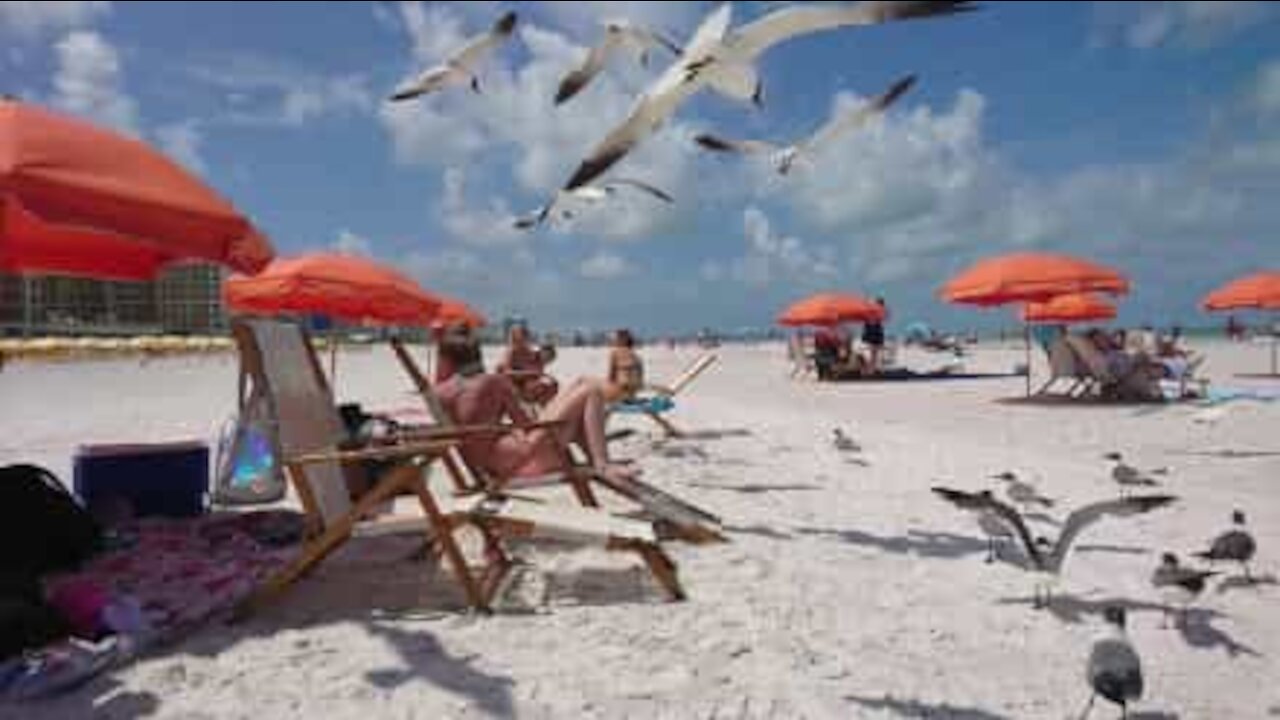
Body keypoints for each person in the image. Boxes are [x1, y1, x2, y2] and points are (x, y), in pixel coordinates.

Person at [433, 330, 638, 486]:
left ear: (446, 360)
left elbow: (451, 431)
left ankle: (597, 460)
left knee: (581, 383)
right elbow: (525, 425)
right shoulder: (493, 382)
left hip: (493, 465)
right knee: (591, 390)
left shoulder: (440, 393)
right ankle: (602, 464)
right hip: (523, 462)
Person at [496, 323, 558, 406]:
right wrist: (530, 373)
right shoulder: (511, 353)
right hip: (514, 387)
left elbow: (536, 373)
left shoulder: (532, 356)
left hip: (528, 387)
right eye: (516, 338)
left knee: (551, 385)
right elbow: (506, 373)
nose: (521, 342)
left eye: (523, 338)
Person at [862, 297, 888, 374]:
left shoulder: (876, 313)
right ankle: (870, 369)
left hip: (874, 335)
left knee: (874, 354)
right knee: (873, 353)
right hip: (873, 335)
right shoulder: (875, 313)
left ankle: (871, 369)